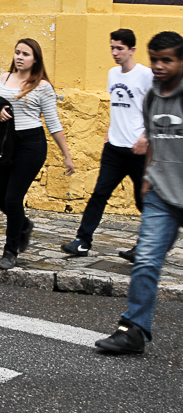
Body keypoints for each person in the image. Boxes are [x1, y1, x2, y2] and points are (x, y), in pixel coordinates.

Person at [95, 31, 183, 355]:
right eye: (154, 59)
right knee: (145, 261)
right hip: (162, 193)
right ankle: (133, 330)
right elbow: (153, 140)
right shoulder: (153, 95)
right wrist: (146, 178)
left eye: (167, 60)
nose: (158, 66)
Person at [62, 29, 153, 258]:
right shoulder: (113, 74)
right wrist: (108, 135)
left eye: (120, 48)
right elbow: (117, 107)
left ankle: (145, 247)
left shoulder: (146, 75)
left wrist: (146, 138)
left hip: (138, 149)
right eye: (112, 47)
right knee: (99, 194)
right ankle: (82, 241)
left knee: (143, 199)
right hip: (114, 148)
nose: (115, 53)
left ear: (132, 50)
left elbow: (156, 109)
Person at [0, 38, 75, 270]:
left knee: (13, 199)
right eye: (17, 52)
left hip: (31, 144)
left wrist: (67, 155)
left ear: (35, 59)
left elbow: (53, 123)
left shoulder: (42, 86)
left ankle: (10, 251)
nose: (19, 57)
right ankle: (25, 225)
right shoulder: (4, 78)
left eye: (25, 54)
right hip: (5, 143)